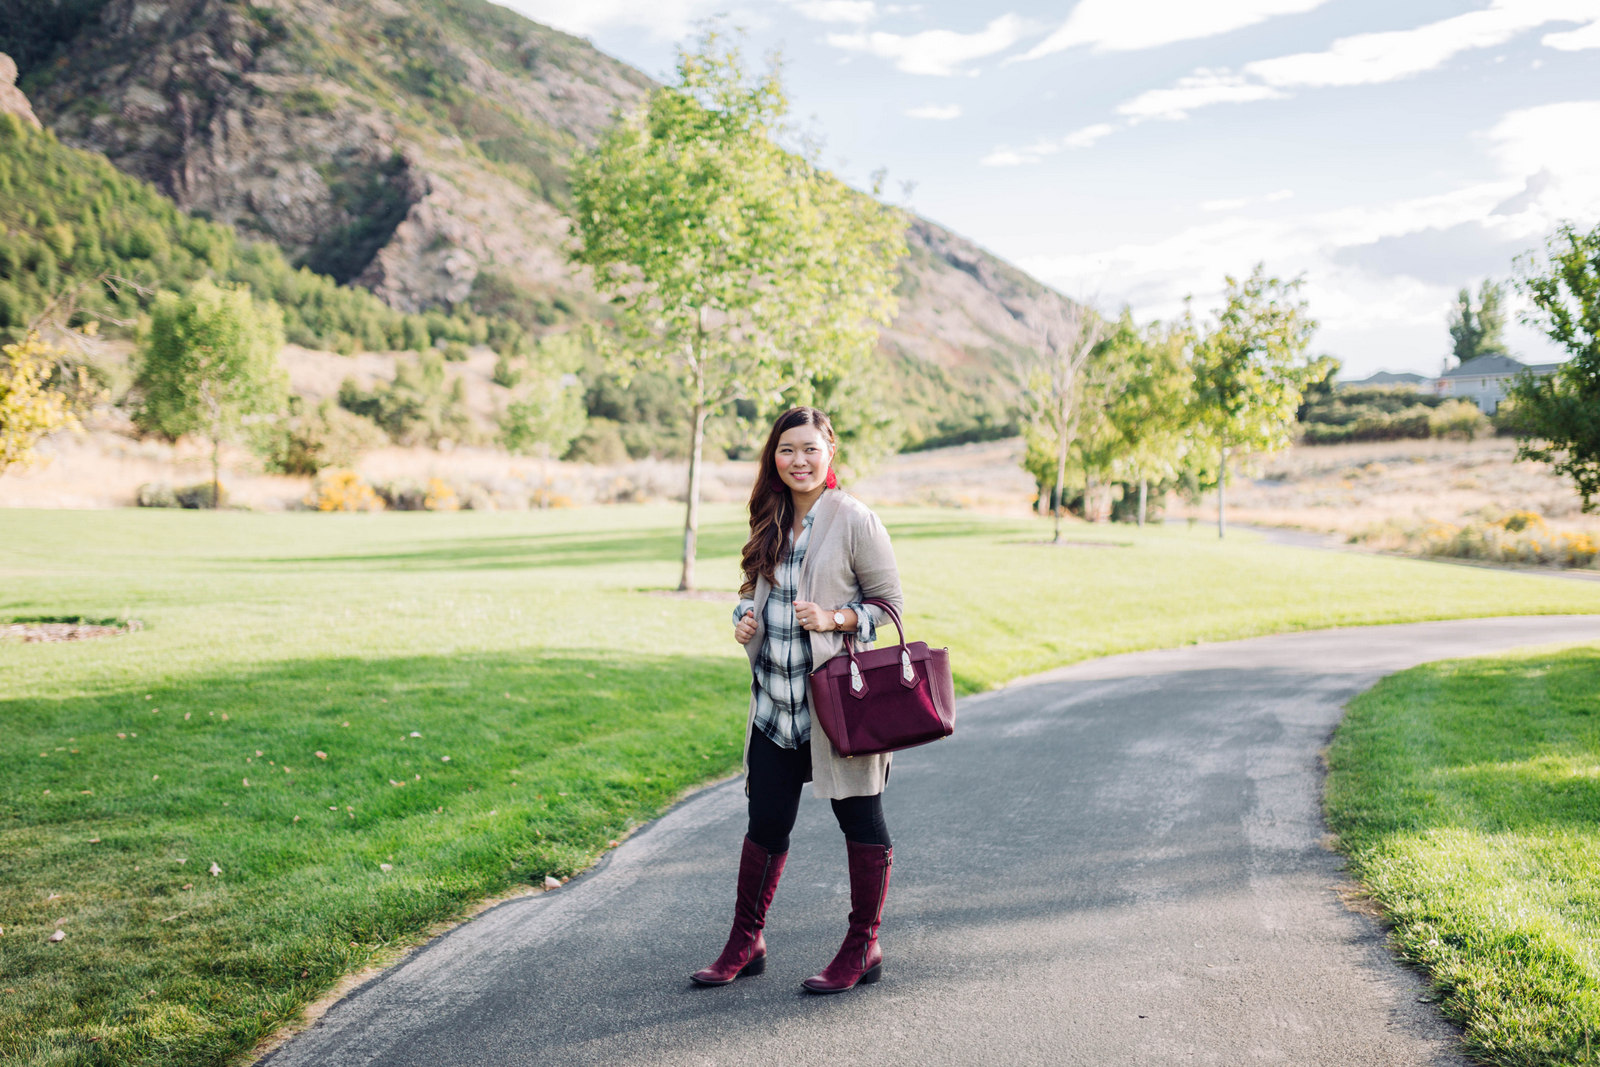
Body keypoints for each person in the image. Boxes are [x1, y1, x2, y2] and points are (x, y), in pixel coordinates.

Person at [690, 405, 904, 994]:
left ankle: (864, 946)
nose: (798, 460)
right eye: (787, 450)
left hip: (838, 710)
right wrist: (744, 616)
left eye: (810, 448)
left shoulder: (855, 519)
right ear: (773, 457)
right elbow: (751, 588)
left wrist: (835, 617)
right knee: (765, 824)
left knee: (859, 820)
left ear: (830, 450)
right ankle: (746, 941)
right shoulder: (771, 514)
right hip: (773, 708)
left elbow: (889, 610)